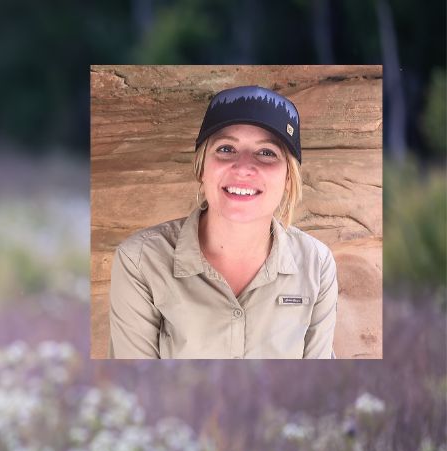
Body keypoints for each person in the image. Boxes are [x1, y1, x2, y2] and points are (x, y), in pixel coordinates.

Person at [109, 86, 338, 359]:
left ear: (289, 178)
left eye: (267, 153)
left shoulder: (317, 264)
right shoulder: (140, 261)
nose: (243, 167)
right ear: (201, 168)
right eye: (226, 148)